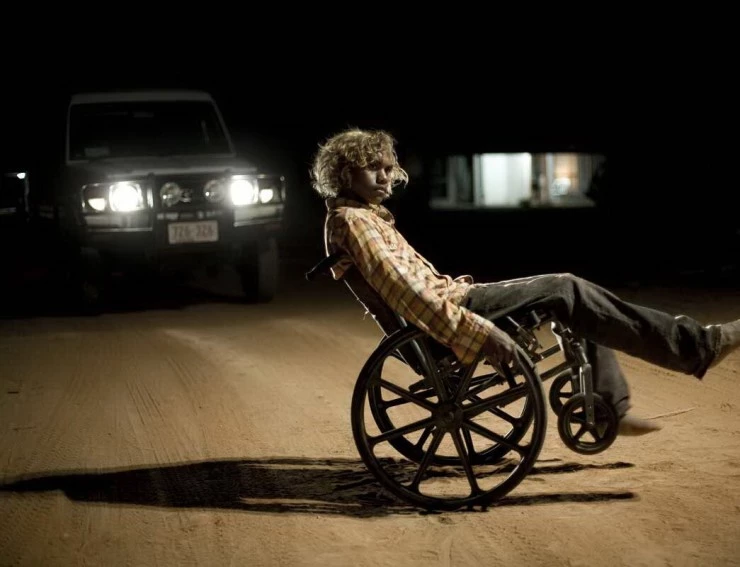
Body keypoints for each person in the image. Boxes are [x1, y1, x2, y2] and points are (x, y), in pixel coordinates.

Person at [309, 127, 740, 436]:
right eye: (373, 168)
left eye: (388, 168)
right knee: (566, 288)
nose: (386, 178)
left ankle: (607, 406)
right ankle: (696, 347)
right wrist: (480, 334)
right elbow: (409, 296)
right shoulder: (353, 222)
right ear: (345, 173)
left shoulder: (362, 217)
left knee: (571, 295)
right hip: (454, 313)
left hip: (457, 301)